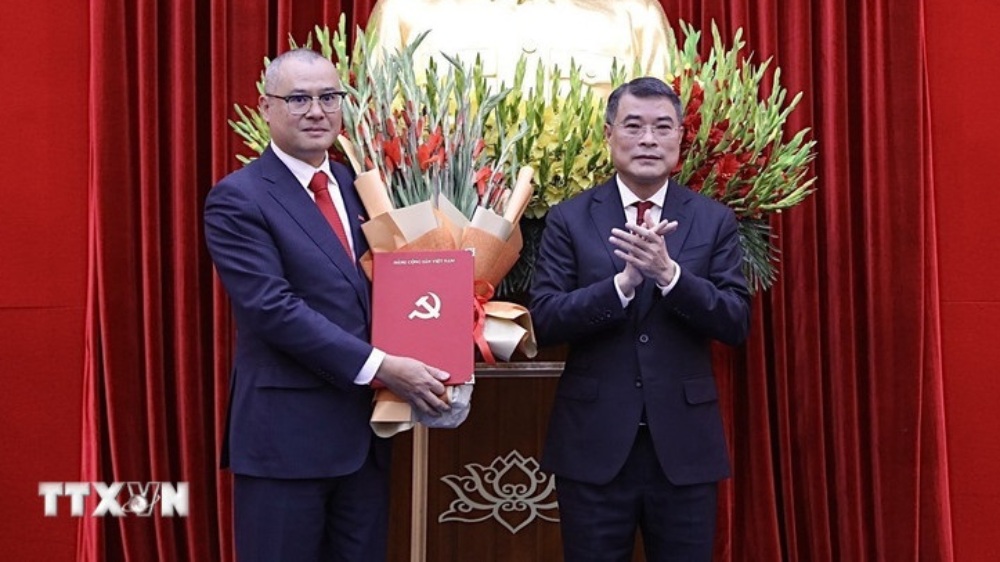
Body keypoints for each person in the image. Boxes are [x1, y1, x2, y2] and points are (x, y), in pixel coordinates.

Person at [204, 48, 451, 562]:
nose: (317, 111)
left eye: (329, 97)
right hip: (285, 442)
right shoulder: (239, 198)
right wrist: (385, 366)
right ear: (266, 108)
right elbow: (273, 308)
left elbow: (397, 284)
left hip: (364, 442)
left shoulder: (360, 188)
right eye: (298, 99)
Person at [529, 76, 752, 561]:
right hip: (594, 445)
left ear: (679, 139)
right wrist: (622, 286)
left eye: (662, 127)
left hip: (684, 448)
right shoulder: (570, 219)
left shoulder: (713, 220)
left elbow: (735, 321)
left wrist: (670, 275)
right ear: (608, 135)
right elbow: (543, 321)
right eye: (633, 126)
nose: (648, 139)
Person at [366, 0, 672, 96]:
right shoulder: (404, 10)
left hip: (602, 234)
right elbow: (372, 132)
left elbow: (670, 131)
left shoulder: (634, 12)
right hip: (445, 229)